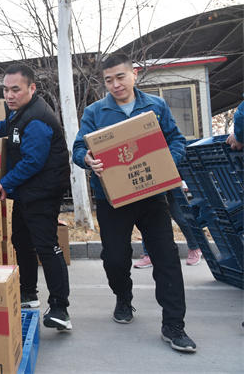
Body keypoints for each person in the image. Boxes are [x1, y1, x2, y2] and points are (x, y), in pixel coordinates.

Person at [72, 53, 197, 352]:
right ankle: (123, 297)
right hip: (112, 198)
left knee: (166, 257)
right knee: (115, 258)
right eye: (109, 80)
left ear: (134, 74)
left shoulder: (156, 106)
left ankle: (174, 325)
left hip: (152, 194)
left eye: (120, 77)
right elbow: (78, 148)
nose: (115, 84)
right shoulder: (95, 112)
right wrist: (86, 159)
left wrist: (166, 161)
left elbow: (176, 140)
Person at [0, 63, 72, 331]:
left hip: (44, 191)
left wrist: (5, 182)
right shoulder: (20, 112)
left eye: (15, 89)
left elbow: (33, 161)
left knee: (46, 246)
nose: (9, 95)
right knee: (21, 242)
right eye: (5, 90)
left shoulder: (37, 118)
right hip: (28, 190)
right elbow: (9, 126)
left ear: (32, 88)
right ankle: (28, 294)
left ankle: (60, 308)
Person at [134, 189, 202, 268]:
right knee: (147, 220)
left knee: (181, 218)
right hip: (149, 189)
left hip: (170, 187)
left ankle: (195, 247)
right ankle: (149, 254)